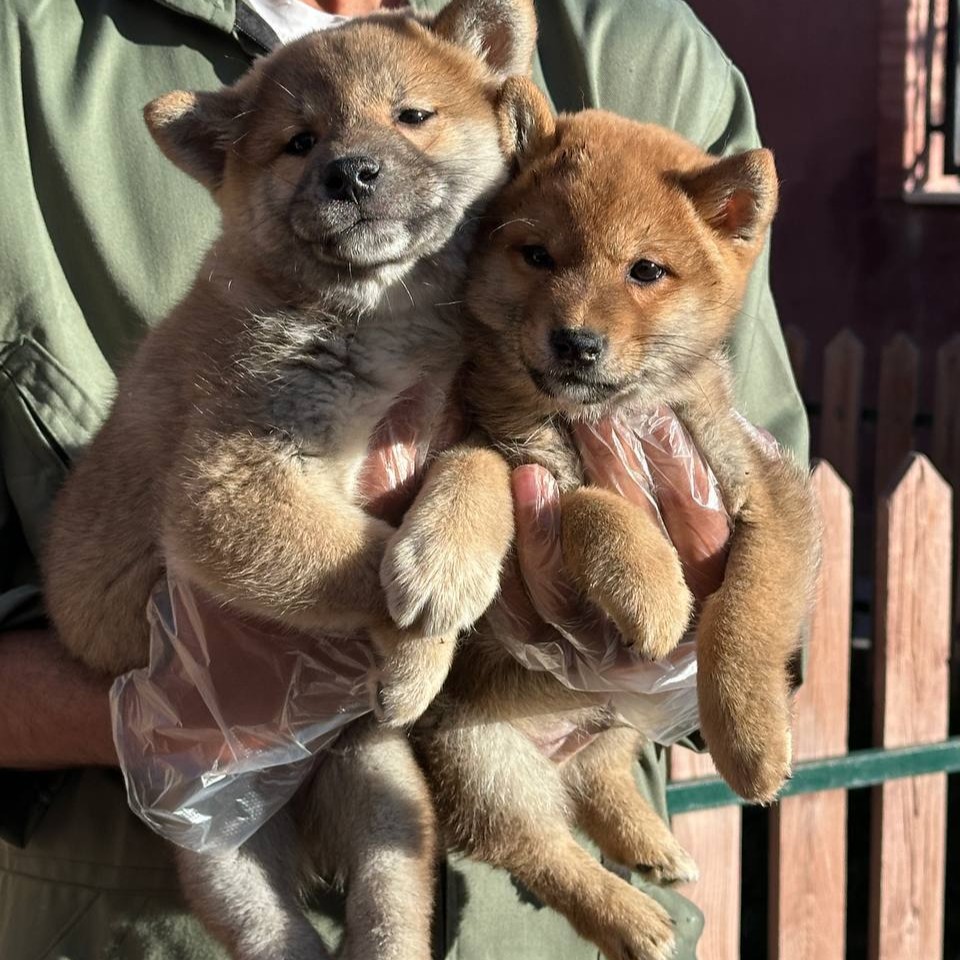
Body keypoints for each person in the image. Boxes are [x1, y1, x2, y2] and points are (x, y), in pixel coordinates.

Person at [0, 1, 807, 958]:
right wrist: (152, 716)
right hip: (138, 920)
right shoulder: (28, 45)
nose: (356, 161)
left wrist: (689, 652)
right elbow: (233, 507)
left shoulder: (635, 43)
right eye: (301, 143)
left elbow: (761, 501)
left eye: (415, 117)